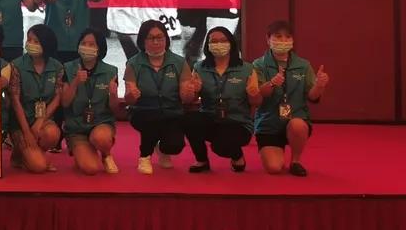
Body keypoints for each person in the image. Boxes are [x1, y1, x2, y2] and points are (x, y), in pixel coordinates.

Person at [252, 20, 330, 177]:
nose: (283, 40)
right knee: (274, 168)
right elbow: (258, 95)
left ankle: (295, 161)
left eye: (287, 37)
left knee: (297, 125)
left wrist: (319, 85)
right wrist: (272, 83)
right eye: (278, 36)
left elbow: (312, 96)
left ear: (292, 40)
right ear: (268, 39)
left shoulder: (303, 65)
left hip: (295, 118)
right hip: (268, 123)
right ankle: (276, 151)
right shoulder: (258, 65)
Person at [124, 20, 199, 175]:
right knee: (151, 119)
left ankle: (162, 149)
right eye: (151, 38)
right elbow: (129, 99)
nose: (156, 42)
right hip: (143, 111)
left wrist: (191, 91)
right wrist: (131, 95)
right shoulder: (133, 63)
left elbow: (186, 98)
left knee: (175, 146)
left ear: (166, 39)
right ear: (143, 40)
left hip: (171, 112)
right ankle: (144, 156)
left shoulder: (179, 62)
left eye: (160, 37)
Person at [185, 26, 261, 173]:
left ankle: (237, 156)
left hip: (237, 122)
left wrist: (253, 94)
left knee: (220, 146)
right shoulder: (199, 67)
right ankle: (201, 160)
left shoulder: (246, 69)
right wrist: (194, 90)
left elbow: (256, 103)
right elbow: (191, 99)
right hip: (210, 119)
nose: (218, 44)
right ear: (207, 45)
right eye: (213, 41)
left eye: (223, 40)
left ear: (231, 43)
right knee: (189, 120)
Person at [61, 28, 124, 175]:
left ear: (99, 48)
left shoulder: (111, 71)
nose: (87, 47)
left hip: (101, 123)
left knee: (100, 138)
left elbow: (114, 109)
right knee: (91, 169)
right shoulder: (67, 68)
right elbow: (64, 103)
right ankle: (80, 150)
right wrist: (76, 82)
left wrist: (113, 95)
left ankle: (106, 155)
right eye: (83, 43)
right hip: (76, 127)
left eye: (91, 44)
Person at [7, 25, 64, 173]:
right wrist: (27, 132)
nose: (30, 44)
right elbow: (15, 101)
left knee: (52, 134)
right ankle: (20, 154)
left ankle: (35, 153)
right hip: (21, 122)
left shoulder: (57, 67)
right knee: (38, 167)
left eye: (36, 41)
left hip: (43, 119)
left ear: (46, 44)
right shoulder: (16, 65)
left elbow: (57, 98)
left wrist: (40, 121)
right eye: (29, 39)